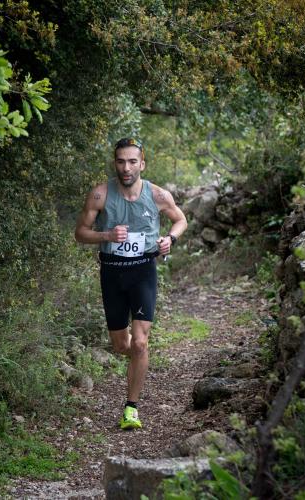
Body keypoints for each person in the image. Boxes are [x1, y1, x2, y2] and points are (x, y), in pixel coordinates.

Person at [74, 137, 187, 430]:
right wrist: (107, 236)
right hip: (112, 274)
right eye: (121, 161)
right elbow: (80, 233)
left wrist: (170, 239)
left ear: (142, 164)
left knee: (139, 342)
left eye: (132, 161)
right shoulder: (100, 194)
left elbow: (180, 220)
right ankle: (139, 358)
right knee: (121, 345)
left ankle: (131, 408)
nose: (127, 167)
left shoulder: (158, 195)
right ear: (115, 163)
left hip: (143, 272)